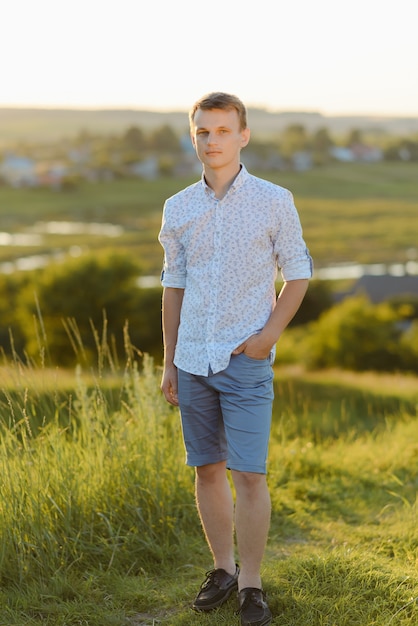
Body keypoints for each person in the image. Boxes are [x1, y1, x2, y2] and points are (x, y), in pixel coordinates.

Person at [158, 92, 312, 626]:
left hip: (245, 359)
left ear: (243, 135)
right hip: (191, 359)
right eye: (203, 131)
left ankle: (251, 584)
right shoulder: (177, 207)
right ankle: (222, 569)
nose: (212, 140)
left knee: (249, 474)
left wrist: (266, 338)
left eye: (223, 130)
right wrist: (168, 361)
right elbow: (173, 286)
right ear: (193, 136)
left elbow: (299, 273)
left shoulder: (274, 200)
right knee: (206, 469)